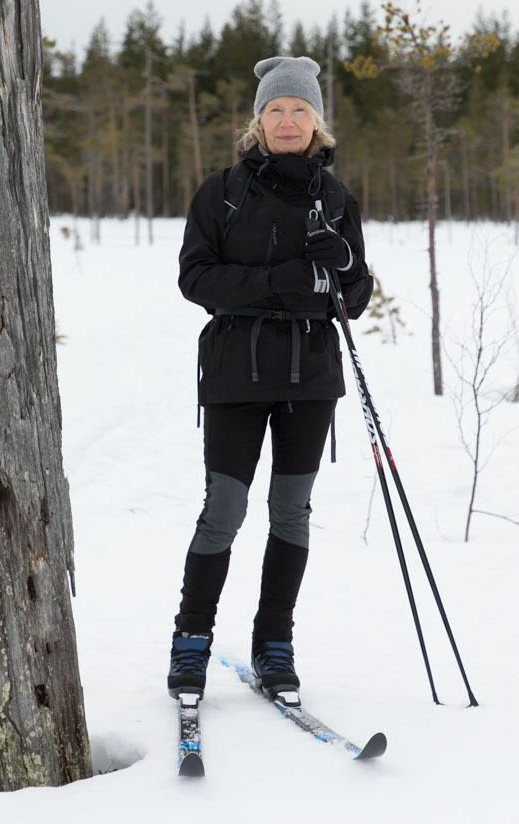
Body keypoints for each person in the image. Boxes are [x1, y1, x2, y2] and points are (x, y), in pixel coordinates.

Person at [167, 55, 373, 702]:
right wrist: (273, 284)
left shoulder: (337, 200)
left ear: (318, 121)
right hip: (234, 370)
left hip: (310, 375)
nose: (287, 120)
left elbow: (356, 296)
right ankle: (191, 640)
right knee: (223, 511)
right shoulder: (222, 191)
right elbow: (195, 279)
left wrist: (345, 266)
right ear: (258, 121)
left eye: (299, 109)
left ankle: (274, 644)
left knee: (292, 513)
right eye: (275, 110)